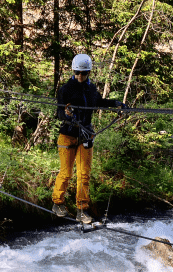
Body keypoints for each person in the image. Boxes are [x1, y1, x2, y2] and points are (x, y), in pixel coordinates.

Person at [52, 54, 126, 224]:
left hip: (86, 135)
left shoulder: (91, 89)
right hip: (68, 136)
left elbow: (98, 102)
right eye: (77, 73)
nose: (80, 76)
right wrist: (69, 116)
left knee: (84, 174)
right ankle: (57, 203)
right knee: (66, 173)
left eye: (83, 74)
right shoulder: (65, 89)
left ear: (88, 73)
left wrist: (116, 104)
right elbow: (59, 113)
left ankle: (82, 209)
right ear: (73, 71)